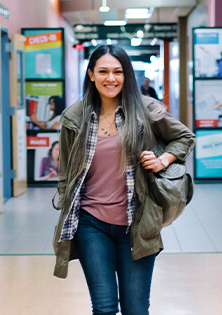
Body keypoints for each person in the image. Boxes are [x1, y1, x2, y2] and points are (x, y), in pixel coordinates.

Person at [52, 45, 195, 315]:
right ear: (91, 75)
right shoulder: (74, 118)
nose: (111, 78)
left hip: (137, 223)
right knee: (104, 307)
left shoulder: (146, 109)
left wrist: (162, 160)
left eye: (118, 72)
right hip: (91, 224)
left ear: (126, 75)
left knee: (136, 309)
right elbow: (66, 175)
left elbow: (184, 137)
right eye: (103, 71)